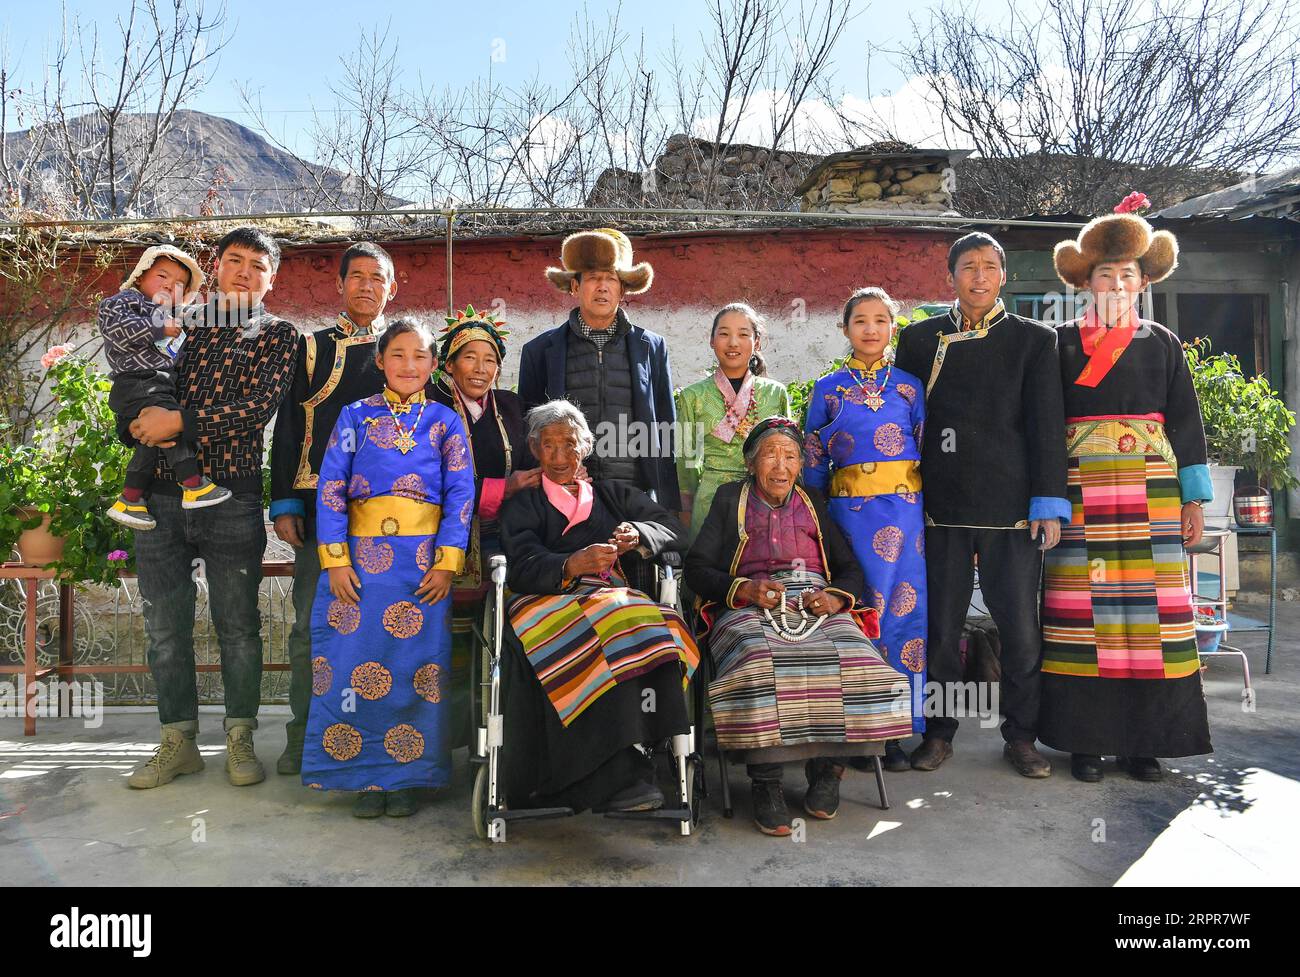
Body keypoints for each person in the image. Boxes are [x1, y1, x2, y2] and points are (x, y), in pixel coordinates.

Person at [125, 226, 299, 790]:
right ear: (216, 266)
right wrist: (139, 420)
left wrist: (178, 422)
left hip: (234, 497)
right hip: (157, 495)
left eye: (257, 265)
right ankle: (177, 741)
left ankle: (240, 736)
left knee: (238, 626)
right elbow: (138, 380)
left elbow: (256, 408)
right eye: (233, 260)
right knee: (165, 628)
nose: (243, 271)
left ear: (272, 279)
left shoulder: (276, 335)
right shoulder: (181, 327)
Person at [1041, 213, 1212, 783]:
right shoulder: (1059, 344)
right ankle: (1085, 743)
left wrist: (1193, 500)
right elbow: (1044, 426)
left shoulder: (1163, 343)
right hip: (1079, 495)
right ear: (1087, 281)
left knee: (1150, 620)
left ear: (1144, 282)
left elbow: (1187, 424)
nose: (1116, 286)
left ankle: (1146, 744)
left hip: (1152, 494)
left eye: (1128, 275)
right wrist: (1048, 502)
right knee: (1083, 618)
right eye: (1106, 274)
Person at [894, 231, 1070, 778]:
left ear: (1002, 276)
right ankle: (939, 734)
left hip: (1012, 508)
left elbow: (1046, 428)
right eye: (967, 266)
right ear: (951, 276)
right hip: (940, 508)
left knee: (1019, 630)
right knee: (942, 631)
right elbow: (904, 427)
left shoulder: (1034, 341)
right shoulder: (920, 340)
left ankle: (1021, 737)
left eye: (989, 266)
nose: (978, 275)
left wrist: (1048, 503)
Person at [686, 417, 913, 836]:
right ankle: (766, 783)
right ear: (752, 463)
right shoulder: (728, 498)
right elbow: (696, 569)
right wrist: (745, 589)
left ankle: (828, 771)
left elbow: (848, 569)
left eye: (790, 456)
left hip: (813, 601)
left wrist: (833, 597)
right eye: (770, 454)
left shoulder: (812, 501)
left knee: (857, 657)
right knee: (759, 659)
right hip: (749, 603)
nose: (781, 465)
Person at [300, 318, 474, 817]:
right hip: (360, 568)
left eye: (420, 355)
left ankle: (408, 779)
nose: (408, 365)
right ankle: (362, 778)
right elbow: (332, 488)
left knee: (416, 671)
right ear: (379, 361)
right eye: (398, 354)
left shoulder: (446, 421)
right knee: (355, 667)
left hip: (421, 570)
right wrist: (334, 561)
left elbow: (461, 494)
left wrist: (446, 563)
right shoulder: (354, 417)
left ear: (434, 364)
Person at [497, 399, 699, 814]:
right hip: (545, 598)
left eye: (569, 445)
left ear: (585, 447)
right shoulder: (524, 503)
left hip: (606, 598)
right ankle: (610, 773)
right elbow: (520, 565)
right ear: (534, 450)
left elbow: (674, 529)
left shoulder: (610, 493)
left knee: (661, 624)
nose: (559, 456)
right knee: (615, 619)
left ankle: (636, 754)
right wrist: (570, 563)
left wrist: (637, 531)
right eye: (548, 446)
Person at [268, 242, 396, 775]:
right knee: (312, 625)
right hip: (325, 513)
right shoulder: (313, 348)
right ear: (340, 284)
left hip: (393, 519)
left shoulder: (409, 349)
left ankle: (372, 737)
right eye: (357, 277)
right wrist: (285, 502)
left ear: (393, 287)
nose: (367, 286)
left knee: (382, 627)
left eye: (378, 278)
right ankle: (304, 734)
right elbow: (291, 428)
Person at [803, 287, 927, 772]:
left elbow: (928, 456)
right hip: (847, 520)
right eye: (860, 321)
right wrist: (814, 521)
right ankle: (854, 728)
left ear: (893, 326)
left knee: (903, 615)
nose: (871, 329)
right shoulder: (827, 389)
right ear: (845, 328)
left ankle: (894, 732)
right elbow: (813, 463)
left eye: (880, 320)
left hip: (907, 519)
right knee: (856, 613)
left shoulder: (910, 388)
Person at [517, 228, 681, 592]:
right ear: (575, 287)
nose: (602, 287)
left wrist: (668, 505)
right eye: (592, 278)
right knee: (573, 590)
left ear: (624, 289)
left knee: (637, 597)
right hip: (567, 494)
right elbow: (528, 431)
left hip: (632, 494)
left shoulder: (651, 347)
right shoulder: (540, 351)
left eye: (611, 279)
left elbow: (665, 425)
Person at [429, 305, 539, 746]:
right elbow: (429, 480)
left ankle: (497, 734)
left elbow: (533, 464)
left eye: (490, 359)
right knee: (452, 638)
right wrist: (503, 487)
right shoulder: (431, 407)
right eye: (469, 357)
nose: (481, 368)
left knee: (500, 632)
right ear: (449, 363)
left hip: (503, 537)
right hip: (448, 539)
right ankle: (449, 738)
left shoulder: (511, 408)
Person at [104, 244, 230, 529]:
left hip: (157, 383)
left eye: (178, 285)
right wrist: (158, 329)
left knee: (153, 441)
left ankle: (130, 498)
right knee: (172, 430)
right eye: (162, 276)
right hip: (138, 381)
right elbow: (118, 331)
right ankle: (193, 484)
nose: (168, 287)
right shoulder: (121, 302)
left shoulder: (172, 317)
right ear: (140, 275)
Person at [675, 302, 790, 541]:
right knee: (709, 569)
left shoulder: (776, 393)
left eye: (743, 334)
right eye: (724, 334)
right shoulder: (693, 396)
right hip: (711, 499)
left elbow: (788, 453)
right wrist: (686, 507)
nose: (733, 343)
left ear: (756, 342)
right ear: (712, 341)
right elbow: (686, 459)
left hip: (765, 497)